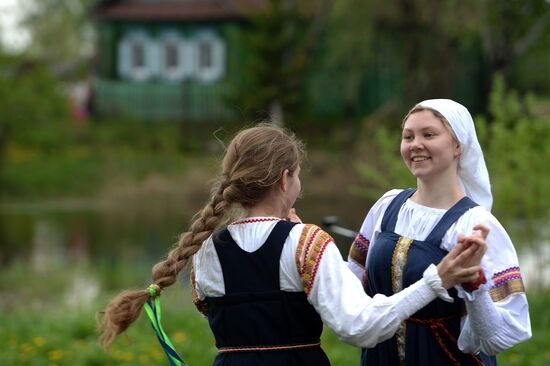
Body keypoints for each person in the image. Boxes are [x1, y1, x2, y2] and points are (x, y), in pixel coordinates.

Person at [98, 123, 487, 366]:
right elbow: (361, 326)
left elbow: (240, 313)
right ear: (286, 180)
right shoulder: (306, 243)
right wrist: (437, 278)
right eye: (298, 175)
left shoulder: (205, 250)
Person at [348, 99, 532, 366]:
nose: (415, 144)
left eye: (429, 135)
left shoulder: (476, 224)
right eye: (408, 136)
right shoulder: (387, 206)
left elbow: (498, 337)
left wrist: (474, 287)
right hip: (381, 357)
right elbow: (351, 286)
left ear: (458, 145)